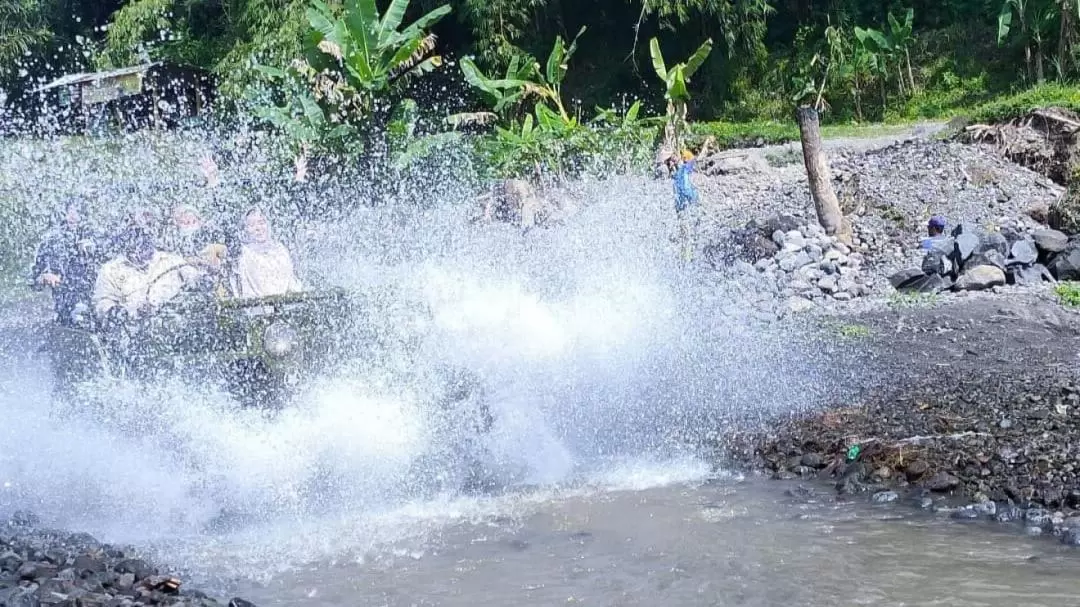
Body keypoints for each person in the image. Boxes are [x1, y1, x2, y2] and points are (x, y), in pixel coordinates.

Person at [92, 227, 206, 328]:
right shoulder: (111, 270)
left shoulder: (172, 261)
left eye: (146, 247)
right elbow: (102, 303)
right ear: (127, 247)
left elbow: (196, 281)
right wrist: (126, 313)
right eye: (137, 249)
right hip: (133, 329)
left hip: (175, 322)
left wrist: (205, 277)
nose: (142, 253)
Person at [28, 198, 105, 326]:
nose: (74, 216)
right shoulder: (52, 240)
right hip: (64, 303)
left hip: (96, 300)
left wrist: (94, 250)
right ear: (64, 213)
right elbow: (33, 279)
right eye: (70, 211)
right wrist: (44, 277)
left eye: (78, 212)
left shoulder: (97, 237)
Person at [230, 208, 303, 299]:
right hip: (256, 307)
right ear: (245, 230)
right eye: (252, 225)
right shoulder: (245, 254)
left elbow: (292, 284)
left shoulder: (281, 250)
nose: (258, 228)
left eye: (262, 223)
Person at [666, 149, 701, 262]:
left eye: (671, 161)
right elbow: (685, 190)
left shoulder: (679, 172)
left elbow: (692, 161)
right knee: (686, 234)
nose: (670, 164)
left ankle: (686, 257)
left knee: (687, 234)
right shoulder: (679, 172)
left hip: (683, 207)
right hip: (683, 208)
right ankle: (687, 258)